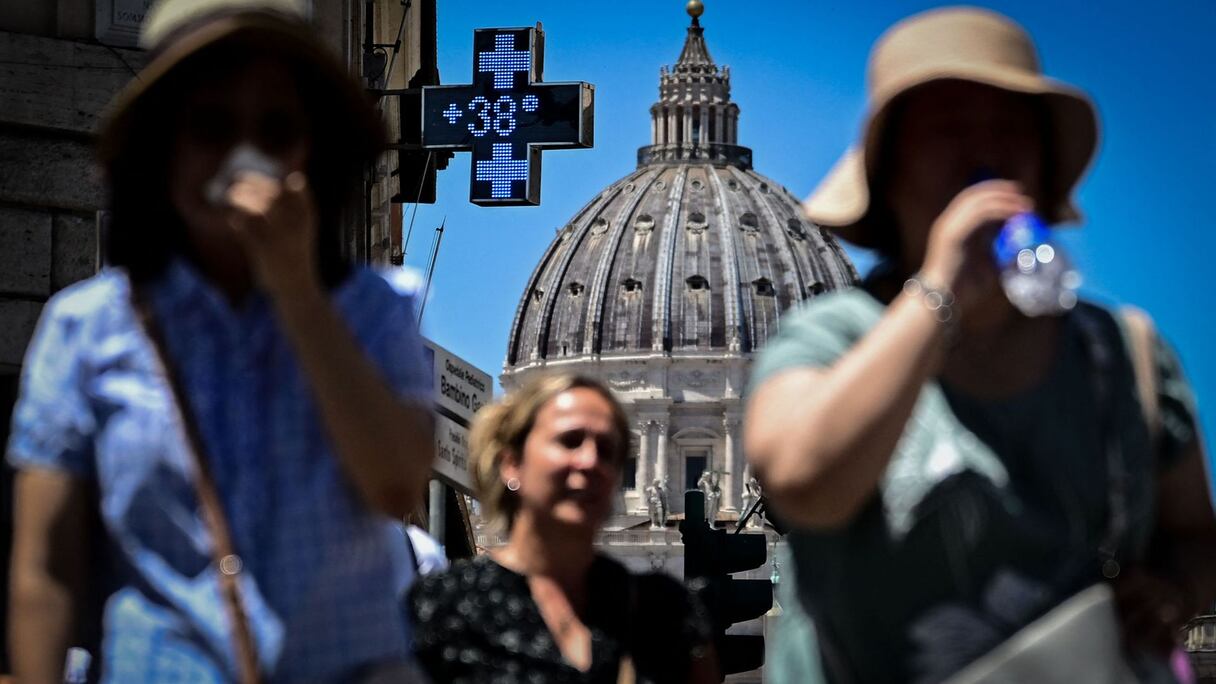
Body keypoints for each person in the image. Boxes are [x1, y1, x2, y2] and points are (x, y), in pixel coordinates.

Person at [744, 7, 1216, 683]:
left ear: (1045, 168)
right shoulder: (829, 337)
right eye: (948, 129)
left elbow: (1199, 538)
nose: (982, 153)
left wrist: (1175, 592)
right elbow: (802, 485)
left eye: (1009, 128)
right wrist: (939, 291)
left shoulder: (1125, 356)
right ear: (890, 172)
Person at [6, 0, 435, 681]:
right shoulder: (87, 327)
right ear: (162, 146)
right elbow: (46, 566)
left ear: (312, 149)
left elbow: (396, 483)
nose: (244, 157)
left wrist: (297, 290)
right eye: (211, 127)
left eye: (275, 129)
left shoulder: (376, 310)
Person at [409, 374, 719, 683]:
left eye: (607, 450)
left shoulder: (667, 613)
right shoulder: (442, 608)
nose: (589, 461)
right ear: (511, 462)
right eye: (569, 441)